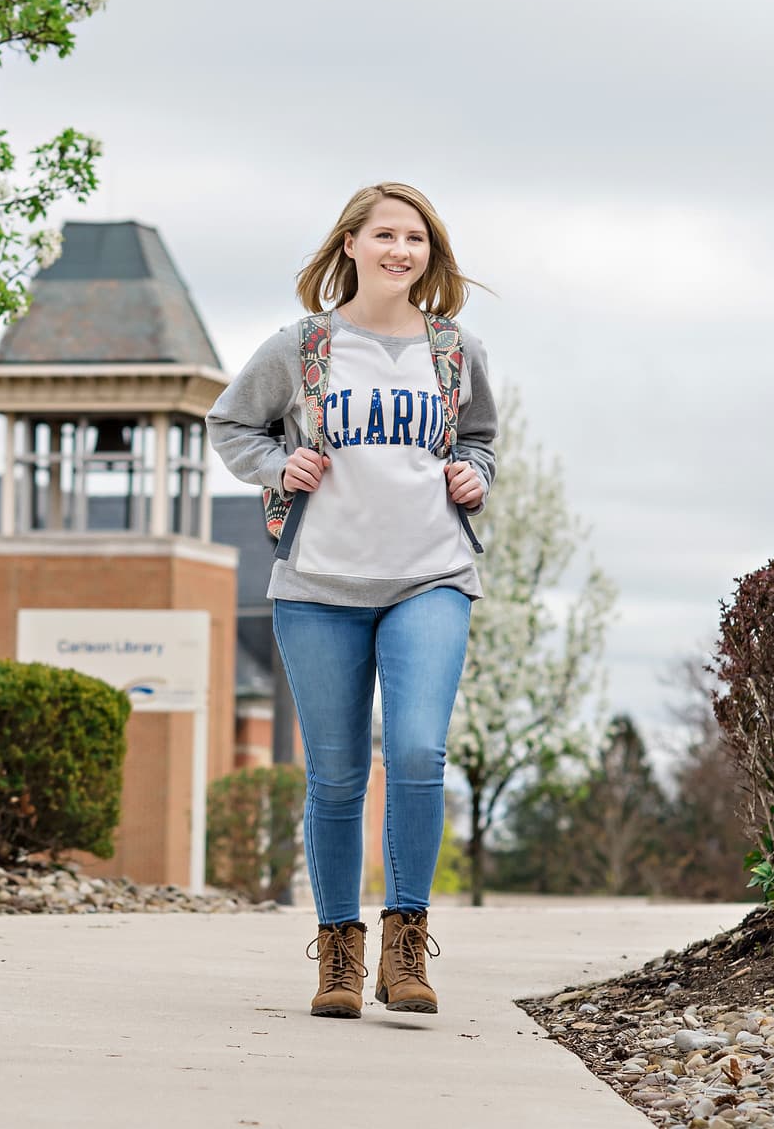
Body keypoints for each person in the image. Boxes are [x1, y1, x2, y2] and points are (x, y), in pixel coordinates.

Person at [207, 180, 496, 1019]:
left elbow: (480, 441)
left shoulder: (457, 350)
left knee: (415, 754)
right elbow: (232, 427)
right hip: (318, 585)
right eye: (385, 236)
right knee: (334, 776)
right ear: (350, 246)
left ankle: (406, 948)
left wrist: (474, 475)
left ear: (429, 254)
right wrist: (275, 467)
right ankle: (338, 955)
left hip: (430, 575)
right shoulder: (303, 347)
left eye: (416, 238)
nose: (401, 250)